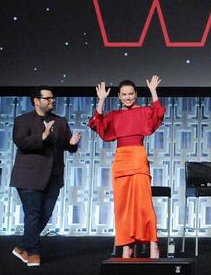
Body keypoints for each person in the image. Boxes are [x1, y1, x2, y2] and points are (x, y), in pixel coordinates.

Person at [89, 75, 165, 259]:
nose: (128, 97)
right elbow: (97, 124)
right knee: (122, 207)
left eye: (130, 94)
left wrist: (154, 91)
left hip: (138, 157)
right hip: (121, 160)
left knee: (144, 205)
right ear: (119, 96)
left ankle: (153, 243)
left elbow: (158, 114)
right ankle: (126, 245)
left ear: (136, 94)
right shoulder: (114, 115)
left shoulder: (144, 111)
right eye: (124, 94)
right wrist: (101, 101)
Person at [10, 86, 82, 267]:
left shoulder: (60, 121)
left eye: (53, 98)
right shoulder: (23, 120)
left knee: (45, 214)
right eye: (48, 98)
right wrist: (42, 136)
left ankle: (23, 247)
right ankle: (33, 253)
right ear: (36, 101)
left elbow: (67, 146)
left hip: (53, 175)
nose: (52, 101)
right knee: (33, 214)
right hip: (29, 175)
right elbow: (21, 142)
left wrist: (72, 144)